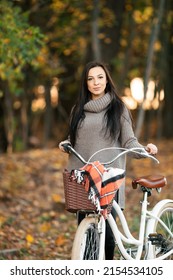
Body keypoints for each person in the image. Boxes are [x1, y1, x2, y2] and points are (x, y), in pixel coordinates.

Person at [59, 61, 158, 259]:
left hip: (108, 179)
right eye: (90, 78)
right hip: (83, 179)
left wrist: (145, 149)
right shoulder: (77, 110)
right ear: (85, 83)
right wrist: (65, 143)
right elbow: (74, 139)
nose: (95, 82)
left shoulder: (118, 109)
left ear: (107, 80)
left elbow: (129, 141)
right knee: (84, 237)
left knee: (108, 238)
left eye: (100, 77)